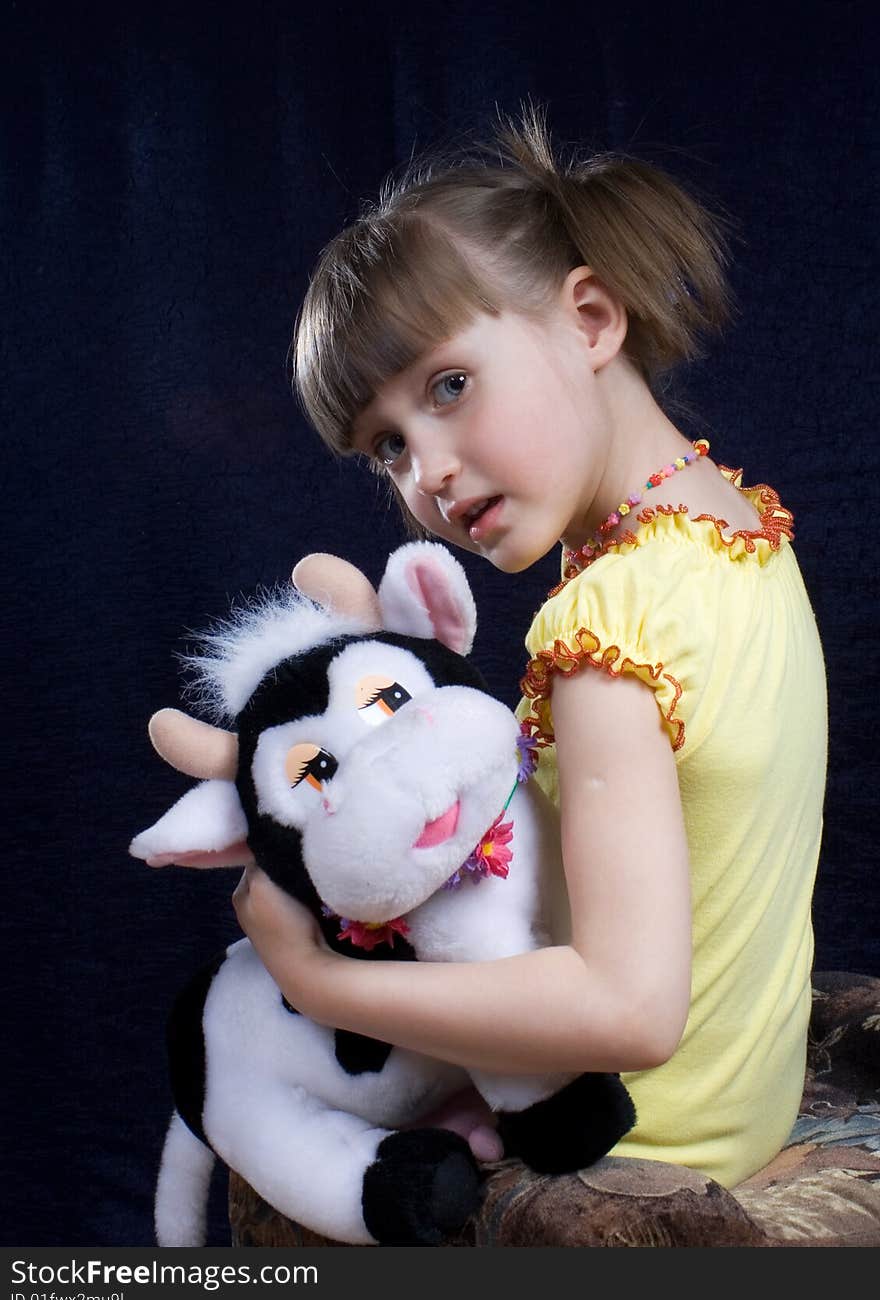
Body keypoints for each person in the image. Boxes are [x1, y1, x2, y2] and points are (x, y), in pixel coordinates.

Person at [232, 106, 827, 1189]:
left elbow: (628, 1008)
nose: (430, 475)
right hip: (749, 1095)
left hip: (635, 1141)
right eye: (387, 449)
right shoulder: (740, 523)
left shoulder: (606, 625)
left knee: (252, 1027)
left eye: (449, 385)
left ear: (590, 319)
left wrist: (319, 982)